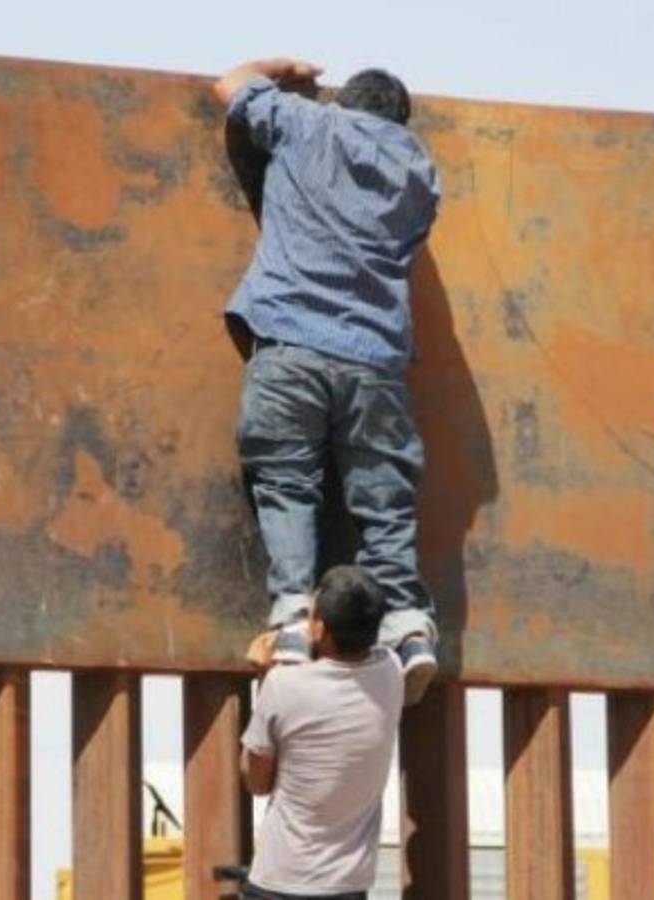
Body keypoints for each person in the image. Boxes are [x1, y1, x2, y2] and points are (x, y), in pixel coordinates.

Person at [213, 59, 442, 704]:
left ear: (346, 104)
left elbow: (230, 84)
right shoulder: (420, 171)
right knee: (383, 500)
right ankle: (408, 630)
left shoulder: (307, 123)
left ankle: (293, 619)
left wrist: (285, 69)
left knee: (287, 483)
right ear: (400, 120)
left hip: (291, 343)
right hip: (375, 361)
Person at [240, 566, 403, 900]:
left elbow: (256, 781)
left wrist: (263, 675)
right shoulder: (392, 671)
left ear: (320, 628)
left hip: (281, 880)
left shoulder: (282, 685)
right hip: (348, 885)